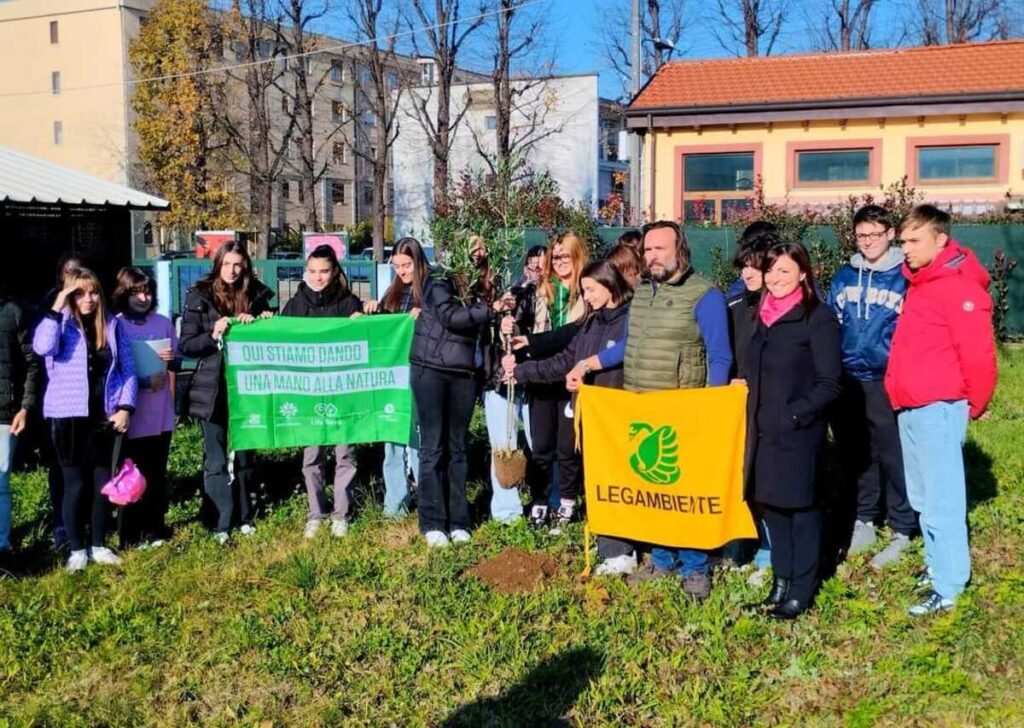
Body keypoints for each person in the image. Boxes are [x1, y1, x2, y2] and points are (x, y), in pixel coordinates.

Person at [568, 221, 732, 601]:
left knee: (684, 493)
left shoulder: (704, 296)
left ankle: (694, 567)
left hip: (682, 409)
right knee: (651, 490)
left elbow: (720, 356)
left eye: (660, 248)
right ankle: (660, 560)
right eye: (647, 250)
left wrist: (711, 408)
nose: (652, 256)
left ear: (681, 250)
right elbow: (628, 345)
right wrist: (588, 364)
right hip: (640, 407)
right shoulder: (642, 292)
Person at [885, 205, 997, 616]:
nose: (906, 250)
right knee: (923, 495)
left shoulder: (958, 287)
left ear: (941, 240)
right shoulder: (922, 283)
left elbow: (979, 354)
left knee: (943, 498)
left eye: (914, 241)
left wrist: (975, 402)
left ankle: (949, 584)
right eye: (902, 241)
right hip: (911, 405)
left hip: (938, 406)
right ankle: (937, 565)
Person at [742, 242, 841, 619]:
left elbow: (830, 383)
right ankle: (780, 583)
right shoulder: (761, 317)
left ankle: (802, 589)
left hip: (798, 435)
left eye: (784, 271)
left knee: (801, 512)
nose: (775, 279)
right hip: (763, 435)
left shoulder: (817, 318)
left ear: (803, 273)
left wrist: (795, 416)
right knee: (775, 511)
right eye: (771, 271)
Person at [504, 259, 633, 533]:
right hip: (589, 408)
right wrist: (521, 371)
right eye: (584, 291)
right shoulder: (591, 323)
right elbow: (564, 360)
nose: (586, 297)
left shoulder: (630, 319)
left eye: (591, 290)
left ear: (609, 285)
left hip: (616, 409)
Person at [409, 238, 513, 547]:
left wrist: (503, 313)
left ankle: (458, 519)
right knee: (433, 447)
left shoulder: (487, 281)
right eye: (473, 245)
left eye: (483, 246)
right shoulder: (440, 278)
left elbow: (484, 324)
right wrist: (491, 309)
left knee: (458, 447)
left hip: (465, 373)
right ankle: (432, 522)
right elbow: (451, 318)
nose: (479, 252)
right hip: (432, 369)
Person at [828, 205, 915, 568]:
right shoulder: (845, 275)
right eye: (861, 235)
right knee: (856, 452)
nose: (867, 242)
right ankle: (864, 517)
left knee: (893, 453)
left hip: (886, 378)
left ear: (890, 234)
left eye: (874, 235)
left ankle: (902, 526)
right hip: (849, 376)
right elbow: (833, 319)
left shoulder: (904, 277)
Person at [33, 268, 137, 572]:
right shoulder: (60, 324)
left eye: (93, 292)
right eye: (79, 293)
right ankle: (77, 548)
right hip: (67, 418)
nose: (88, 299)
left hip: (104, 417)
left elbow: (127, 369)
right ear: (68, 296)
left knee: (102, 484)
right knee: (75, 486)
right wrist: (58, 307)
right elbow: (42, 347)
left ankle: (99, 544)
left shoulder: (113, 326)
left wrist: (126, 407)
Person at [179, 242, 274, 544]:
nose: (233, 270)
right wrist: (213, 333)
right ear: (218, 264)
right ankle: (220, 520)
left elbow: (273, 339)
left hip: (248, 388)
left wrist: (260, 323)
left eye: (239, 264)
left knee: (246, 452)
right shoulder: (199, 295)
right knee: (215, 456)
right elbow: (187, 345)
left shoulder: (257, 294)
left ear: (245, 266)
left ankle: (246, 516)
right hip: (213, 386)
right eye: (227, 264)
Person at [282, 245, 363, 538]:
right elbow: (278, 339)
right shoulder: (296, 305)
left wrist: (362, 322)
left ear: (334, 272)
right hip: (309, 394)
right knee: (312, 456)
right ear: (306, 272)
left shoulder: (349, 303)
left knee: (345, 454)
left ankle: (341, 513)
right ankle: (316, 513)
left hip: (342, 393)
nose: (318, 277)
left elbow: (365, 342)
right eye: (313, 271)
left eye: (324, 271)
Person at [514, 232, 589, 529]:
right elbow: (519, 318)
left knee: (567, 446)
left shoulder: (588, 291)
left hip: (572, 377)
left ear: (577, 256)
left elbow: (573, 333)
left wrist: (533, 341)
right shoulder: (540, 290)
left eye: (564, 256)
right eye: (554, 257)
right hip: (542, 377)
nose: (558, 263)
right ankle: (540, 502)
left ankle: (568, 503)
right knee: (541, 446)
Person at [111, 268, 178, 549]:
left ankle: (155, 529)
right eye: (136, 292)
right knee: (129, 474)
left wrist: (171, 357)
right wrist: (142, 380)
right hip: (131, 414)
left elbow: (176, 362)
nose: (143, 298)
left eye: (148, 292)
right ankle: (129, 533)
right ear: (123, 294)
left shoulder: (163, 323)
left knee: (156, 474)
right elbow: (111, 374)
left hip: (160, 413)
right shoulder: (115, 325)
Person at [723, 225, 776, 580]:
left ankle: (771, 550)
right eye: (744, 266)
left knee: (769, 477)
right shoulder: (735, 303)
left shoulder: (785, 307)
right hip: (738, 405)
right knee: (741, 474)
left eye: (754, 266)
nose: (747, 273)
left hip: (771, 407)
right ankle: (743, 538)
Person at [365, 238, 427, 518]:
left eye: (407, 265)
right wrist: (372, 311)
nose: (402, 271)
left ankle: (428, 499)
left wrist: (425, 316)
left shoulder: (431, 290)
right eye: (397, 266)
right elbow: (384, 331)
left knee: (420, 439)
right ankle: (395, 506)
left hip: (422, 374)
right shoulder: (392, 293)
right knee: (392, 439)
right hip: (394, 378)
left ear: (418, 262)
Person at [38, 253, 86, 550]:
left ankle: (87, 526)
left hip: (87, 406)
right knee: (61, 470)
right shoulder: (52, 306)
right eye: (69, 273)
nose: (74, 278)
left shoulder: (93, 310)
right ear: (61, 276)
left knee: (85, 472)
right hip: (58, 403)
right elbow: (42, 346)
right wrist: (59, 306)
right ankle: (62, 527)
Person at [0, 274, 41, 564]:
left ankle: (1, 544)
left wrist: (25, 407)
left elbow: (31, 363)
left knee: (0, 481)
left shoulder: (12, 312)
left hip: (5, 412)